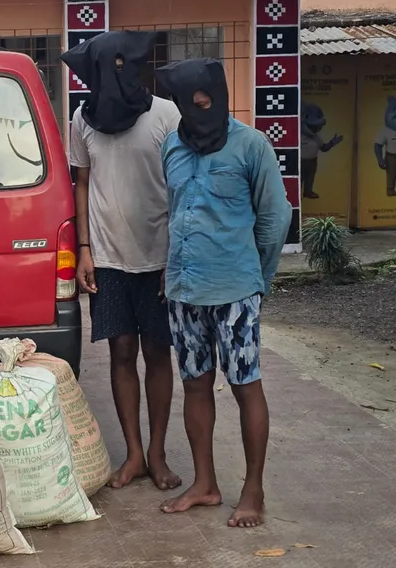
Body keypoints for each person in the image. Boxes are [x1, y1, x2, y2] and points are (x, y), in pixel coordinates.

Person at [155, 58, 291, 528]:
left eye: (207, 100)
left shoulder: (251, 145)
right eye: (190, 103)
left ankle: (253, 490)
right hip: (183, 289)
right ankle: (205, 484)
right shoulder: (171, 146)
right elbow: (174, 213)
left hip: (235, 288)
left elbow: (275, 220)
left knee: (244, 385)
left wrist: (259, 280)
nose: (200, 108)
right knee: (194, 384)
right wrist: (170, 270)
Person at [61, 31, 183, 491]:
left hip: (159, 257)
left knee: (156, 352)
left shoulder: (165, 115)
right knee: (121, 352)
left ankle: (158, 453)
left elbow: (181, 186)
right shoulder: (83, 119)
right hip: (107, 257)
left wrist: (176, 258)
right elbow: (81, 184)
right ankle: (133, 453)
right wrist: (85, 249)